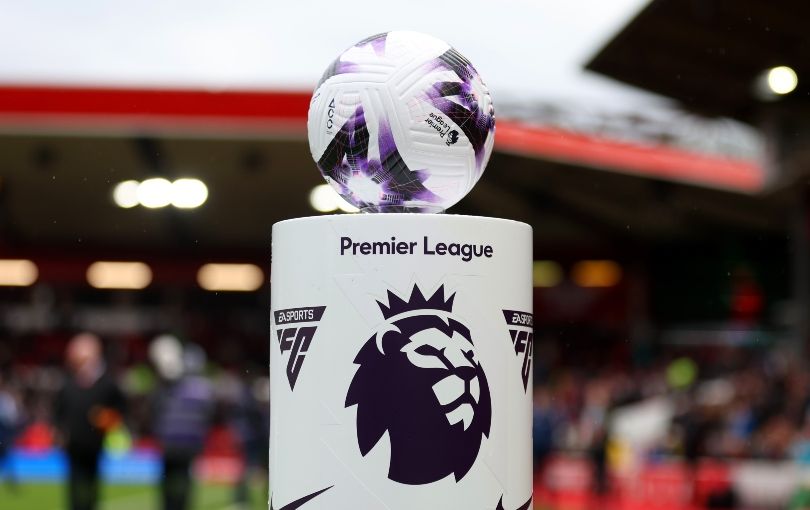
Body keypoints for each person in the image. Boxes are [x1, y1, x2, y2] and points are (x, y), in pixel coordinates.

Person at [53, 333, 125, 510]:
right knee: (75, 490)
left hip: (94, 446)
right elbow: (59, 412)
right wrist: (58, 432)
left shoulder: (107, 384)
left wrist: (108, 418)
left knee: (91, 489)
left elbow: (120, 410)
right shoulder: (68, 384)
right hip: (73, 447)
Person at [150, 335, 214, 510]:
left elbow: (155, 411)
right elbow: (209, 414)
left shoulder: (165, 388)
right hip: (187, 444)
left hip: (173, 444)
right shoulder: (203, 388)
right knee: (182, 485)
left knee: (171, 487)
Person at [0, 369, 22, 490]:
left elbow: (12, 416)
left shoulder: (6, 398)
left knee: (7, 457)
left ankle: (12, 481)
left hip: (4, 432)